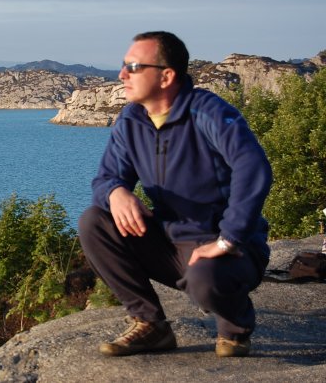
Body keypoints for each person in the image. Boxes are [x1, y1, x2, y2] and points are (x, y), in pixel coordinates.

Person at [78, 31, 272, 358]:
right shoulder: (131, 121)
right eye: (124, 66)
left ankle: (235, 324)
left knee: (205, 280)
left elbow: (253, 167)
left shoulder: (207, 111)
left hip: (226, 247)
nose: (122, 75)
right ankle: (150, 324)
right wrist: (115, 192)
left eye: (133, 67)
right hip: (170, 241)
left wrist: (229, 238)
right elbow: (105, 178)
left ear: (166, 76)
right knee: (93, 222)